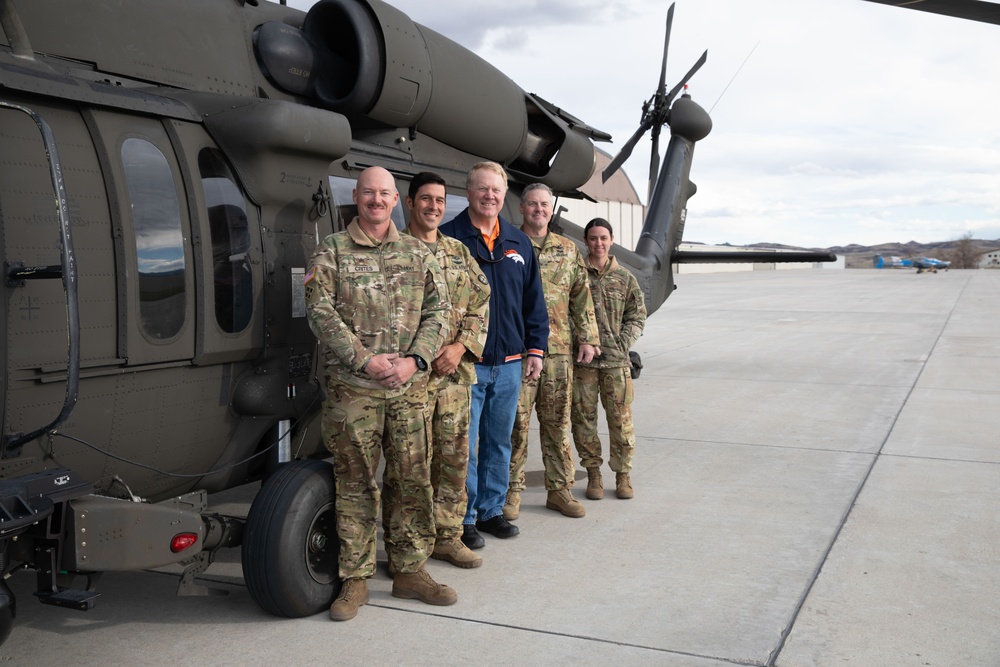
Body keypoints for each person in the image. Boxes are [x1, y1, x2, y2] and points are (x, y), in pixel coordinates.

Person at [305, 166, 456, 622]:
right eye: (368, 192)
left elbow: (440, 311)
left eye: (384, 193)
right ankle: (355, 579)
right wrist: (364, 360)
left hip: (408, 389)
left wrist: (415, 361)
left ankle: (411, 572)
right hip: (355, 391)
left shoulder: (415, 251)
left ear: (395, 200)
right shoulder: (330, 251)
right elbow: (318, 312)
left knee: (411, 478)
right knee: (354, 482)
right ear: (356, 196)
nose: (376, 200)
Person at [383, 171, 491, 570]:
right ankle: (405, 549)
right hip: (411, 381)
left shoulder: (458, 252)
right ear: (408, 203)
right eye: (425, 199)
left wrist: (461, 346)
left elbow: (482, 300)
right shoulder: (392, 250)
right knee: (407, 467)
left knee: (453, 460)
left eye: (440, 201)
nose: (433, 207)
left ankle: (448, 536)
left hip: (454, 378)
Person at [439, 162, 548, 548]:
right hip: (467, 365)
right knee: (463, 445)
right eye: (482, 189)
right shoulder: (448, 239)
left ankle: (490, 510)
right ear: (468, 193)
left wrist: (536, 348)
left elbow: (534, 302)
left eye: (496, 191)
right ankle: (464, 517)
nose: (489, 196)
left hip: (510, 365)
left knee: (499, 440)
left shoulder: (519, 242)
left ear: (505, 196)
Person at [505, 183, 601, 520]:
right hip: (518, 352)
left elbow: (580, 296)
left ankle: (559, 491)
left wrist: (588, 338)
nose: (539, 210)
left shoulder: (567, 249)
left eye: (544, 205)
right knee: (515, 425)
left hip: (558, 352)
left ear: (551, 208)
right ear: (521, 208)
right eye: (532, 204)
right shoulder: (509, 244)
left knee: (557, 424)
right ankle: (510, 492)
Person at [570, 218, 647, 500]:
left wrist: (623, 342)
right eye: (592, 238)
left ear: (611, 240)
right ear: (586, 241)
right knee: (584, 422)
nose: (598, 243)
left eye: (603, 238)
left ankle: (623, 475)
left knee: (621, 422)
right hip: (584, 364)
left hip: (616, 364)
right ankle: (593, 475)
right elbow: (566, 311)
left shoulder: (625, 278)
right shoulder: (577, 274)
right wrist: (580, 339)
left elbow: (637, 315)